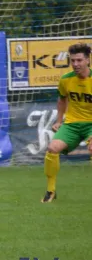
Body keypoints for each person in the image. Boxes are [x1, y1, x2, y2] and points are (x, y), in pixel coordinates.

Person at [42, 42, 92, 203]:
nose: (75, 64)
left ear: (88, 61)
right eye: (73, 61)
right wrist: (58, 121)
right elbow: (62, 100)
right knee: (52, 149)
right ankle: (50, 191)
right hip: (72, 124)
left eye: (79, 60)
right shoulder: (65, 80)